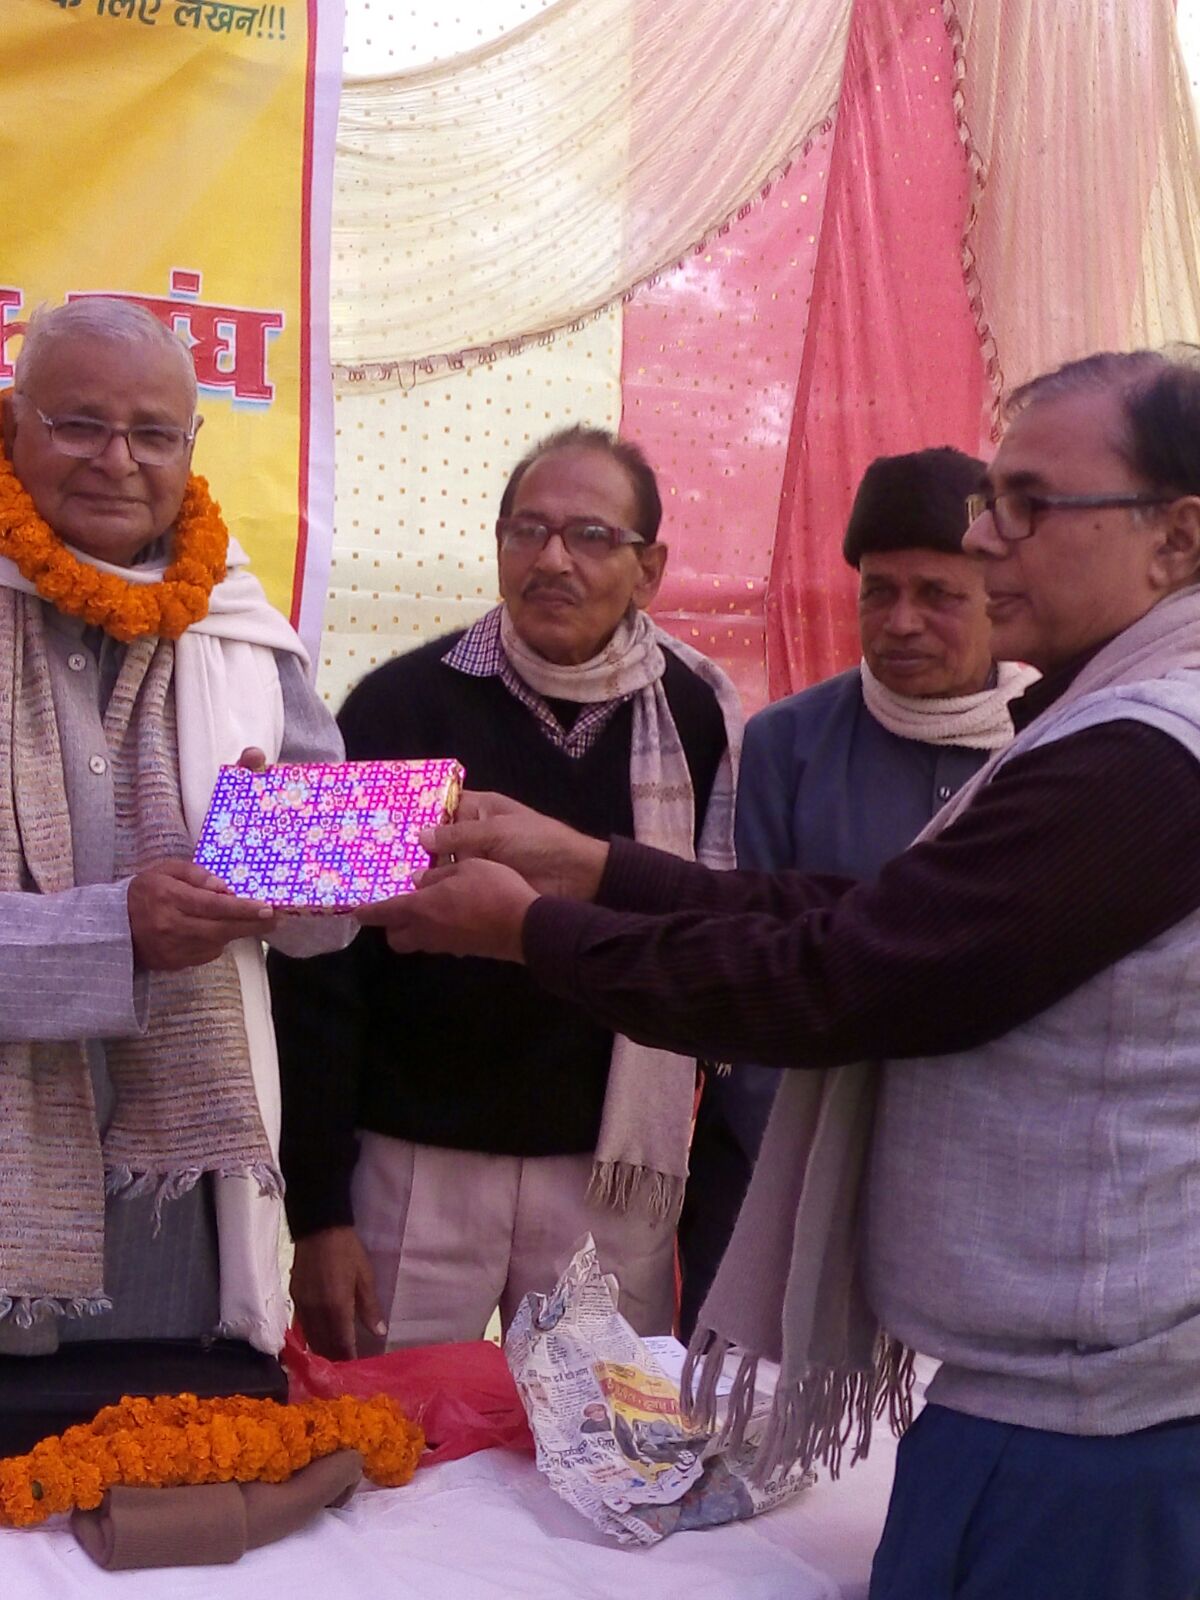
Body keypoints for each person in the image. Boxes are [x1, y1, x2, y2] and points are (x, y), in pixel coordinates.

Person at [360, 351, 1200, 1600]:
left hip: (1087, 1427)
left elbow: (846, 971)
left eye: (1026, 504)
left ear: (1178, 538)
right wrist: (596, 867)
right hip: (1043, 1392)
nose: (983, 537)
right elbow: (863, 912)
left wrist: (533, 928)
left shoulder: (1146, 754)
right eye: (527, 530)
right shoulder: (405, 697)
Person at [268, 425, 742, 1358]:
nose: (553, 559)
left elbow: (714, 943)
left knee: (605, 1465)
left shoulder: (701, 715)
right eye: (527, 531)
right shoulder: (393, 704)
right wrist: (320, 1212)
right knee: (383, 1460)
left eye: (591, 536)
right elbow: (316, 967)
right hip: (413, 1173)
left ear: (650, 570)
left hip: (611, 1178)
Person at [0, 297, 347, 1374]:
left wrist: (293, 871)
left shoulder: (241, 629)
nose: (118, 460)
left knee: (168, 1492)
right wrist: (117, 935)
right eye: (78, 424)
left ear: (190, 449)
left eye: (153, 433)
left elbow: (326, 926)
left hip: (175, 1235)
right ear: (14, 424)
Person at [678, 447, 1038, 1334]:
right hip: (783, 1177)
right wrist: (823, 1179)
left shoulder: (1054, 740)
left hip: (996, 1195)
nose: (901, 622)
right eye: (878, 592)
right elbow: (754, 979)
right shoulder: (784, 744)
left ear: (997, 592)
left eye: (938, 594)